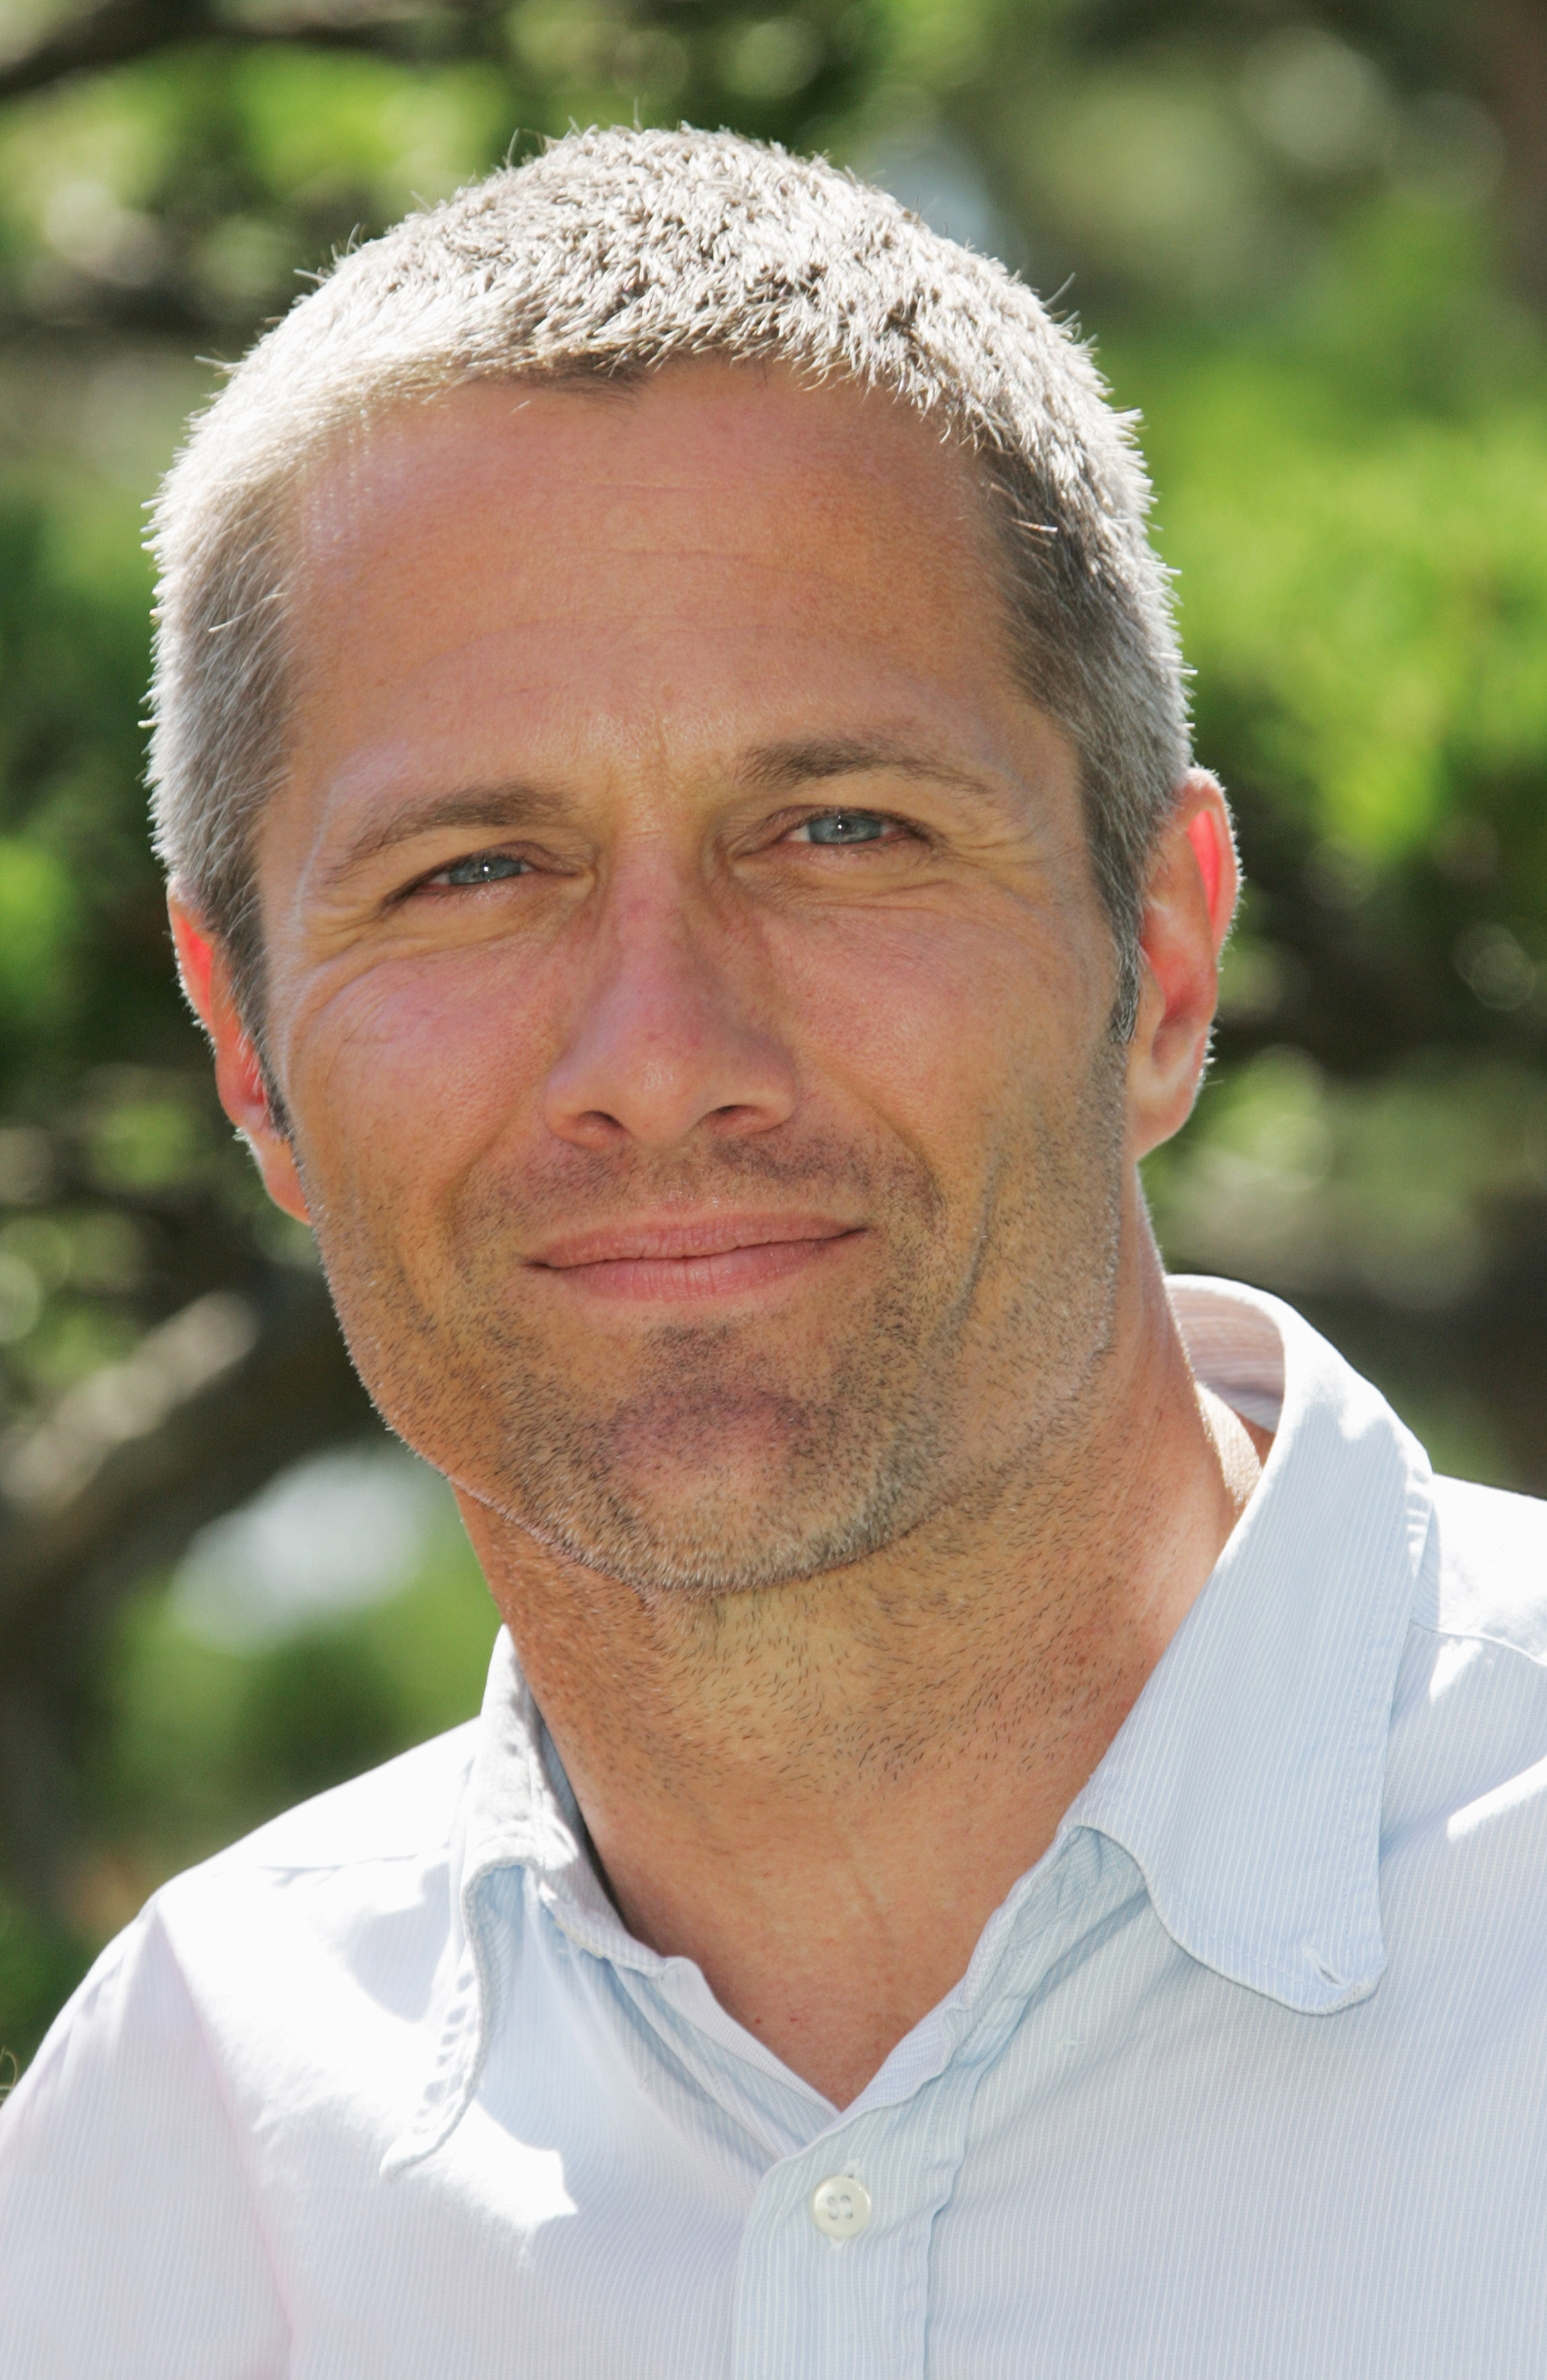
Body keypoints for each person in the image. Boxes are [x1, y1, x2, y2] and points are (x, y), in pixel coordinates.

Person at [1, 124, 1544, 2379]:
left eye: (840, 829)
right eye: (469, 870)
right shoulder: (171, 2167)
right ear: (244, 1050)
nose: (662, 1055)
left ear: (1167, 955)